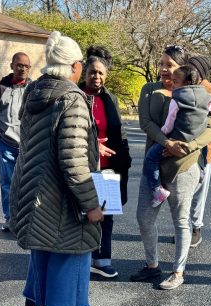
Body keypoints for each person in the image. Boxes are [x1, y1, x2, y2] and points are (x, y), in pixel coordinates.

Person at [10, 31, 104, 306]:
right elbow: (74, 161)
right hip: (60, 194)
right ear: (75, 66)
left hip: (32, 188)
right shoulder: (71, 99)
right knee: (71, 251)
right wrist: (92, 203)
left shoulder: (34, 92)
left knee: (42, 248)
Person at [130, 45, 211, 290]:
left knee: (180, 220)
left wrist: (187, 147)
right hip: (154, 163)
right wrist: (167, 142)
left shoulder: (198, 93)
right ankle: (152, 266)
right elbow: (145, 122)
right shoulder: (150, 90)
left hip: (184, 166)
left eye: (169, 64)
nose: (163, 69)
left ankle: (178, 272)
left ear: (183, 69)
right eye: (161, 64)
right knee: (144, 218)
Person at [79, 45, 132, 278]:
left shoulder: (110, 98)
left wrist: (125, 159)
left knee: (106, 214)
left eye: (101, 73)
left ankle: (102, 259)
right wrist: (93, 145)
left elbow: (118, 132)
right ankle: (79, 259)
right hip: (82, 166)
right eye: (92, 72)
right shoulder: (75, 97)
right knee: (82, 214)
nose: (96, 77)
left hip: (108, 168)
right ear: (84, 72)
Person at [144, 64, 211, 208]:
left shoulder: (177, 99)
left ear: (185, 83)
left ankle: (157, 189)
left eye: (175, 81)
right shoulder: (206, 97)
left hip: (176, 139)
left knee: (151, 157)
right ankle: (202, 171)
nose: (173, 84)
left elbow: (170, 122)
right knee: (203, 150)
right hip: (195, 139)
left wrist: (164, 134)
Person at [0, 52, 31, 231]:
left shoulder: (33, 88)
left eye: (26, 66)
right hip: (6, 144)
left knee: (28, 184)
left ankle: (27, 220)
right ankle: (10, 218)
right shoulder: (0, 87)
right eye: (19, 65)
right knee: (8, 183)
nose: (22, 69)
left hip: (28, 145)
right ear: (12, 66)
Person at [188, 55, 211, 247]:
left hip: (203, 153)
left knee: (198, 192)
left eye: (192, 68)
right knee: (185, 191)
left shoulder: (210, 92)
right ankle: (185, 228)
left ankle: (196, 228)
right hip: (185, 151)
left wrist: (208, 147)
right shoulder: (184, 87)